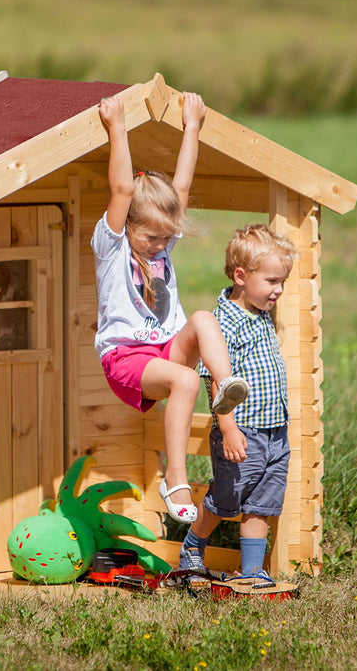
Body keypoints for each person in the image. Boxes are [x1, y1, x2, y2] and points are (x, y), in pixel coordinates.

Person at [92, 93, 248, 526]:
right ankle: (174, 479)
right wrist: (117, 127)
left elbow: (179, 188)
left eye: (167, 237)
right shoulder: (113, 246)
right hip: (124, 359)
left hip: (164, 350)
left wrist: (192, 126)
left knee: (203, 319)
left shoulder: (161, 239)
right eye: (153, 238)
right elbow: (123, 188)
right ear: (129, 227)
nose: (161, 245)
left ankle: (224, 387)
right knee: (183, 380)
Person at [178, 224, 296, 582]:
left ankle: (252, 572)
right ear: (241, 276)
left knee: (261, 504)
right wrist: (227, 428)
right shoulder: (223, 322)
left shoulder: (260, 312)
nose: (278, 291)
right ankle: (193, 545)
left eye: (282, 283)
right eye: (272, 281)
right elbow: (216, 378)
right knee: (225, 500)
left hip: (275, 430)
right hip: (241, 430)